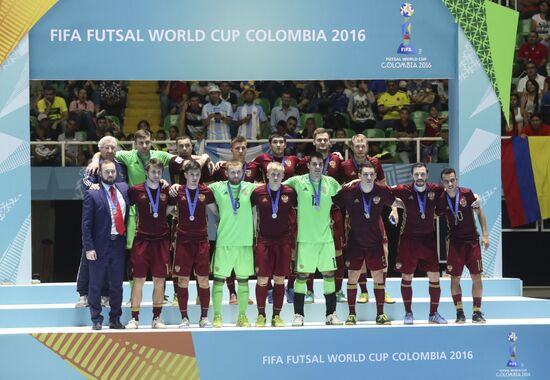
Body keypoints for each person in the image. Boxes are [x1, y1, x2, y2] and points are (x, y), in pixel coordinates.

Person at [283, 152, 343, 326]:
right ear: (308, 165)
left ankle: (330, 314)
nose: (317, 167)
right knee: (301, 276)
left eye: (320, 164)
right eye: (314, 164)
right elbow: (277, 185)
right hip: (306, 240)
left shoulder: (330, 183)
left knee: (329, 275)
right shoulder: (297, 181)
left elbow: (347, 194)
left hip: (325, 240)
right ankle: (299, 315)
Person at [334, 162, 395, 325]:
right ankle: (352, 314)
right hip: (355, 242)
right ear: (359, 176)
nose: (368, 177)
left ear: (375, 176)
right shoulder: (348, 191)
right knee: (352, 276)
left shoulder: (382, 191)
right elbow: (333, 202)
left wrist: (396, 210)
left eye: (371, 174)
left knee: (378, 277)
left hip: (375, 242)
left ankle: (380, 314)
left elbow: (395, 201)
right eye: (365, 174)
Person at [339, 134, 395, 305]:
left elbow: (384, 186)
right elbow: (342, 188)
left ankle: (382, 288)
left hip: (374, 212)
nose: (360, 149)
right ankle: (363, 291)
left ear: (367, 146)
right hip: (354, 215)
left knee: (383, 249)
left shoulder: (375, 163)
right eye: (357, 146)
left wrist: (393, 208)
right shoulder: (345, 165)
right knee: (358, 253)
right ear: (352, 147)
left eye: (363, 145)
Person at [389, 163, 447, 325]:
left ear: (427, 175)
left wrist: (473, 197)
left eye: (422, 174)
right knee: (407, 277)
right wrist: (394, 208)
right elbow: (384, 193)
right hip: (409, 239)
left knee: (435, 277)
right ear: (412, 175)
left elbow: (452, 191)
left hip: (428, 239)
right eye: (417, 175)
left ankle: (433, 314)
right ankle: (408, 313)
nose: (419, 178)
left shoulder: (436, 189)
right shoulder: (403, 189)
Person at [76, 136, 127, 308]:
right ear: (100, 150)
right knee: (88, 255)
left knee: (108, 260)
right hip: (97, 218)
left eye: (113, 147)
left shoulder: (120, 167)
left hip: (114, 219)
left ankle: (105, 294)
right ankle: (83, 294)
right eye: (106, 148)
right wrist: (92, 187)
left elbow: (122, 187)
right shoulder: (93, 166)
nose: (110, 150)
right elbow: (85, 183)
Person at [125, 159, 176, 329]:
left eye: (159, 172)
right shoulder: (135, 190)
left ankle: (157, 318)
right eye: (153, 172)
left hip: (161, 241)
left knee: (159, 281)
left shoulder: (166, 190)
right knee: (138, 280)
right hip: (141, 240)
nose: (156, 175)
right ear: (147, 172)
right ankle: (134, 318)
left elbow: (168, 211)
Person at [208, 160, 257, 327]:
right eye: (232, 172)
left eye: (238, 172)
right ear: (226, 173)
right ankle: (216, 316)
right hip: (224, 243)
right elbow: (196, 185)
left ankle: (242, 316)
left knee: (243, 282)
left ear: (243, 172)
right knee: (218, 282)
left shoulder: (250, 187)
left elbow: (275, 182)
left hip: (244, 244)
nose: (236, 175)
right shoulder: (216, 187)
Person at [437, 168, 489, 324]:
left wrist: (485, 234)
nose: (450, 183)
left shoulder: (467, 193)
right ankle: (459, 312)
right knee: (454, 279)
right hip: (455, 243)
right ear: (443, 183)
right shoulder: (441, 200)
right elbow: (433, 214)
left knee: (477, 277)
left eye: (452, 180)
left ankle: (477, 312)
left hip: (473, 242)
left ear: (456, 179)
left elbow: (479, 212)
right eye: (446, 181)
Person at [81, 160, 128, 330]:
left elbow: (144, 190)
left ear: (117, 173)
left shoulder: (124, 189)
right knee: (96, 283)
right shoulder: (93, 193)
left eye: (112, 171)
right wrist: (89, 248)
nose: (110, 174)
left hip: (118, 243)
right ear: (100, 174)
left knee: (116, 285)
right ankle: (96, 319)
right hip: (99, 245)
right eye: (106, 172)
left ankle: (115, 319)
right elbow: (86, 224)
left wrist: (162, 182)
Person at [251, 162, 296, 327]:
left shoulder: (290, 192)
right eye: (272, 173)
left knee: (279, 279)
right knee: (262, 279)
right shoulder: (257, 192)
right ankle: (261, 315)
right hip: (264, 240)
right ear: (267, 175)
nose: (276, 176)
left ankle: (276, 316)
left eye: (279, 174)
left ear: (283, 176)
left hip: (284, 241)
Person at [172, 160, 215, 328]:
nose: (195, 177)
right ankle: (184, 318)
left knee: (203, 280)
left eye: (197, 175)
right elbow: (166, 210)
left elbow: (216, 212)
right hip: (183, 241)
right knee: (182, 281)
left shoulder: (206, 191)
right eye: (191, 174)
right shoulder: (178, 191)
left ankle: (204, 317)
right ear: (185, 175)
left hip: (201, 241)